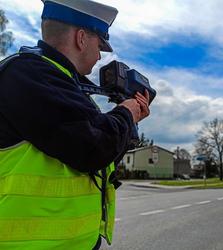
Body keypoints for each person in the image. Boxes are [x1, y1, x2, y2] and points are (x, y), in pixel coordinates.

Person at [0, 0, 150, 249]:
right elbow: (93, 148)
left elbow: (99, 159)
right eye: (100, 45)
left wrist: (127, 123)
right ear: (81, 38)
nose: (100, 55)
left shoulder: (60, 84)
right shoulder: (30, 74)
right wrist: (126, 113)